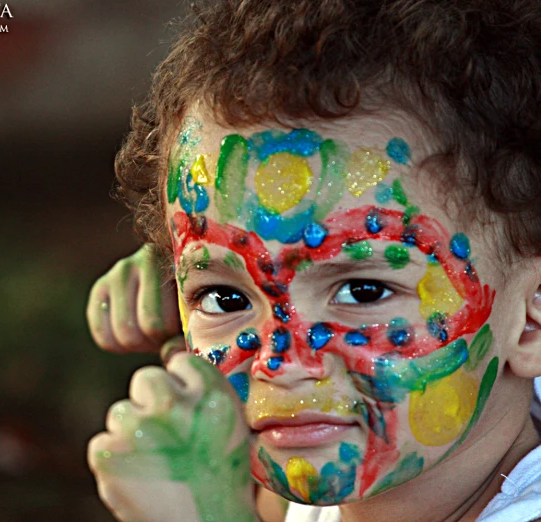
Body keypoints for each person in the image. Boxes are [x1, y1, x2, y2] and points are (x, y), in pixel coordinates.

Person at [86, 1, 541, 520]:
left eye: (363, 291)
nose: (282, 366)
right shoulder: (309, 467)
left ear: (532, 319)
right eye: (226, 296)